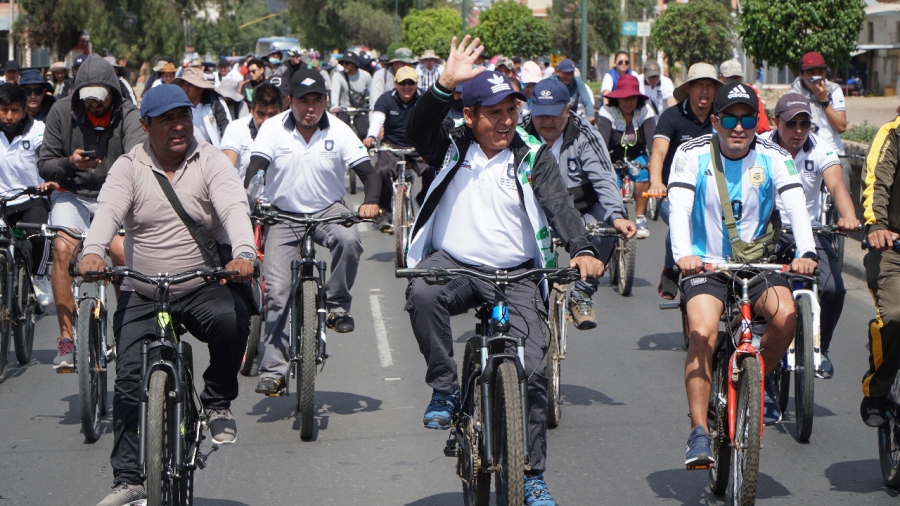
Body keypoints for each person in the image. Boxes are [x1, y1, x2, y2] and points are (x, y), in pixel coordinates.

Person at [404, 36, 604, 506]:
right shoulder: (451, 145)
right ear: (470, 116)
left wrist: (581, 249)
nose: (507, 120)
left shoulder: (533, 154)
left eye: (513, 109)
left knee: (533, 368)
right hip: (455, 265)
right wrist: (444, 84)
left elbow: (562, 208)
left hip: (516, 275)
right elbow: (417, 130)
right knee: (423, 293)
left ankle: (531, 473)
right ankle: (446, 390)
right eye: (494, 112)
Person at [81, 84, 255, 506]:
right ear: (146, 126)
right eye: (166, 120)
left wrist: (245, 252)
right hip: (145, 290)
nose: (178, 127)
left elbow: (233, 206)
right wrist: (92, 250)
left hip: (200, 284)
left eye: (183, 117)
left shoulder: (210, 160)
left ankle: (216, 401)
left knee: (233, 319)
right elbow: (107, 211)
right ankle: (128, 479)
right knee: (126, 383)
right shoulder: (129, 166)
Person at [667, 81, 817, 466]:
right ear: (715, 120)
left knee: (786, 317)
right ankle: (698, 432)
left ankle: (756, 381)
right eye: (730, 118)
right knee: (702, 332)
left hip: (758, 263)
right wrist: (684, 255)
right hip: (707, 263)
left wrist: (807, 252)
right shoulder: (691, 153)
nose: (739, 127)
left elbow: (797, 205)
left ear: (757, 122)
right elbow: (680, 207)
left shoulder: (773, 154)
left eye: (748, 118)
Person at [243, 70, 382, 395]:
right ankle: (275, 371)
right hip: (282, 215)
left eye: (316, 100)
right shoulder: (273, 128)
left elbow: (369, 174)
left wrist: (371, 201)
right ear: (290, 101)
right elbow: (256, 169)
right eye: (303, 100)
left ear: (325, 101)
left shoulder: (339, 129)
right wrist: (249, 198)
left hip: (327, 210)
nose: (310, 107)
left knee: (350, 239)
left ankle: (335, 305)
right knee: (277, 292)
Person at [38, 54, 144, 369]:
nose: (94, 106)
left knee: (122, 253)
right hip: (72, 194)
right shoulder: (60, 111)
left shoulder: (129, 114)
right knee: (61, 249)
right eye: (88, 100)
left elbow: (140, 160)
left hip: (114, 197)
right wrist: (70, 163)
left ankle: (126, 329)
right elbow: (44, 165)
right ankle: (67, 338)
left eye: (100, 99)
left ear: (112, 91)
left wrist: (118, 173)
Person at [522, 78, 636, 330]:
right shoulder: (518, 133)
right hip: (535, 210)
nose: (547, 122)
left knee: (605, 228)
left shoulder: (585, 134)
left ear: (567, 110)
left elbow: (605, 178)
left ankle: (582, 293)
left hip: (582, 207)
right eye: (540, 115)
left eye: (554, 115)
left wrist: (617, 216)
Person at [765, 92, 859, 386]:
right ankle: (760, 362)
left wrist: (848, 216)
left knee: (833, 289)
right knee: (759, 293)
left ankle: (822, 346)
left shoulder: (821, 147)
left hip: (811, 232)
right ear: (775, 122)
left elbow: (837, 185)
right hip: (769, 233)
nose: (798, 131)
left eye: (804, 124)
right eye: (791, 123)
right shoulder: (761, 148)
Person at [647, 62, 722, 300]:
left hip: (716, 192)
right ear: (688, 88)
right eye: (699, 85)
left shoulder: (723, 118)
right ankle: (671, 268)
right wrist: (656, 182)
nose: (705, 91)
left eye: (710, 86)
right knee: (682, 222)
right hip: (674, 193)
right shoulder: (672, 116)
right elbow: (658, 152)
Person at [858, 107, 900, 427]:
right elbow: (877, 185)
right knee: (896, 315)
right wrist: (877, 226)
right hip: (891, 248)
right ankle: (878, 389)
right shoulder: (891, 135)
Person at [0, 84, 53, 306]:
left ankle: (39, 277)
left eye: (15, 110)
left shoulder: (37, 130)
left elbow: (46, 157)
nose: (9, 116)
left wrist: (49, 177)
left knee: (41, 236)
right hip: (2, 200)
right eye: (4, 110)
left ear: (24, 111)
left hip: (31, 199)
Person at [363, 66, 431, 232]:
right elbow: (378, 119)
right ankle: (385, 214)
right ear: (395, 83)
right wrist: (371, 136)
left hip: (418, 146)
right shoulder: (386, 99)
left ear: (416, 83)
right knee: (383, 172)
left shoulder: (425, 98)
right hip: (391, 146)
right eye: (402, 83)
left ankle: (423, 200)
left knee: (432, 170)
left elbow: (433, 120)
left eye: (410, 83)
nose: (406, 87)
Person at [596, 74, 657, 239]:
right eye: (624, 98)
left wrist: (654, 162)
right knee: (610, 184)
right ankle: (614, 217)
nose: (629, 102)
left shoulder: (645, 110)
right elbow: (601, 141)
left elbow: (652, 142)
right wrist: (603, 165)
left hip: (637, 156)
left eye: (633, 98)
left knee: (644, 173)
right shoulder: (606, 111)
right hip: (611, 156)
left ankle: (639, 217)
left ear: (638, 98)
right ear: (617, 98)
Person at [790, 51, 850, 190]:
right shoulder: (793, 94)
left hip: (834, 153)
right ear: (801, 74)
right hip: (804, 155)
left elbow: (841, 126)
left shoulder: (834, 90)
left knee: (843, 194)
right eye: (811, 72)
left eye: (820, 71)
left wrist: (824, 101)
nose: (817, 76)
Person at [221, 83, 283, 179]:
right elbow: (226, 170)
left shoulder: (289, 132)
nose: (266, 121)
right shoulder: (236, 128)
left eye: (272, 115)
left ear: (281, 112)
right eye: (261, 114)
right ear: (252, 110)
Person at [172, 67, 233, 148]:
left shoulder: (215, 103)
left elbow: (226, 129)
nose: (185, 90)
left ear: (200, 88)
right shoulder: (181, 107)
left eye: (189, 85)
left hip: (215, 153)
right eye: (184, 85)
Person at [719, 59, 770, 134]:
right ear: (721, 77)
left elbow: (762, 122)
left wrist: (764, 134)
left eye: (737, 77)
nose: (734, 81)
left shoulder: (750, 92)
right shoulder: (715, 93)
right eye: (730, 77)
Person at [330, 51, 371, 140]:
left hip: (360, 109)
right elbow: (335, 91)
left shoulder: (366, 76)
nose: (344, 65)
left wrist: (372, 107)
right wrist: (334, 106)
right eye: (342, 63)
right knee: (341, 133)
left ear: (354, 64)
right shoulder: (338, 76)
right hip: (343, 109)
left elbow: (372, 93)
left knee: (363, 132)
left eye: (347, 63)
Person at [369, 48, 415, 112]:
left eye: (409, 64)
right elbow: (375, 103)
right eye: (403, 63)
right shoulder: (381, 75)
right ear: (394, 63)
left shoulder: (415, 75)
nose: (406, 66)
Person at [552, 58, 594, 123]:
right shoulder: (550, 82)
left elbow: (587, 101)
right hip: (553, 117)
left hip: (571, 118)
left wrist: (591, 116)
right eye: (566, 73)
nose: (569, 76)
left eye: (571, 73)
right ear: (558, 72)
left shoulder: (577, 82)